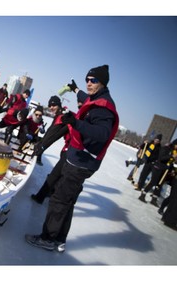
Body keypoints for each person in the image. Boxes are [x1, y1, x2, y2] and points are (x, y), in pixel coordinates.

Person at [25, 65, 119, 252]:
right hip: (78, 159)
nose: (89, 83)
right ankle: (59, 239)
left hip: (80, 162)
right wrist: (75, 89)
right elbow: (84, 98)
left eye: (93, 80)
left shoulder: (104, 107)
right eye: (87, 79)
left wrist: (76, 122)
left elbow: (102, 133)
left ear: (103, 83)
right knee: (67, 201)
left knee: (59, 199)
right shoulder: (95, 98)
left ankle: (48, 238)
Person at [30, 95, 71, 203]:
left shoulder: (62, 116)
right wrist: (41, 144)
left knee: (55, 175)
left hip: (72, 149)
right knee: (59, 174)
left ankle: (41, 197)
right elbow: (50, 132)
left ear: (59, 104)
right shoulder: (61, 114)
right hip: (68, 148)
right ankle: (51, 193)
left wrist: (41, 147)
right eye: (50, 105)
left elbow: (53, 136)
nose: (51, 107)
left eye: (53, 105)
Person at [138, 139, 177, 206]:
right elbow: (161, 158)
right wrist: (171, 156)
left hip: (164, 170)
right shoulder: (166, 148)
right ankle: (143, 195)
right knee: (153, 182)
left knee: (159, 184)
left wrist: (172, 168)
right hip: (158, 167)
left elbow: (170, 162)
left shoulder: (174, 151)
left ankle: (154, 199)